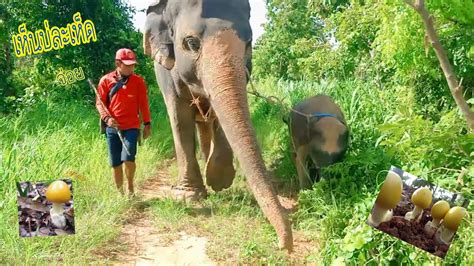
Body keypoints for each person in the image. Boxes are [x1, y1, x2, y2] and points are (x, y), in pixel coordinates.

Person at [96, 48, 151, 195]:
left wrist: (147, 123)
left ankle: (130, 187)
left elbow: (143, 104)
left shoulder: (138, 82)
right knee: (116, 163)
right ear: (117, 63)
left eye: (132, 65)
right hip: (113, 127)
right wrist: (107, 119)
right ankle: (120, 194)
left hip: (132, 126)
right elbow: (100, 103)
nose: (131, 68)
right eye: (127, 65)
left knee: (128, 157)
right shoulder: (105, 81)